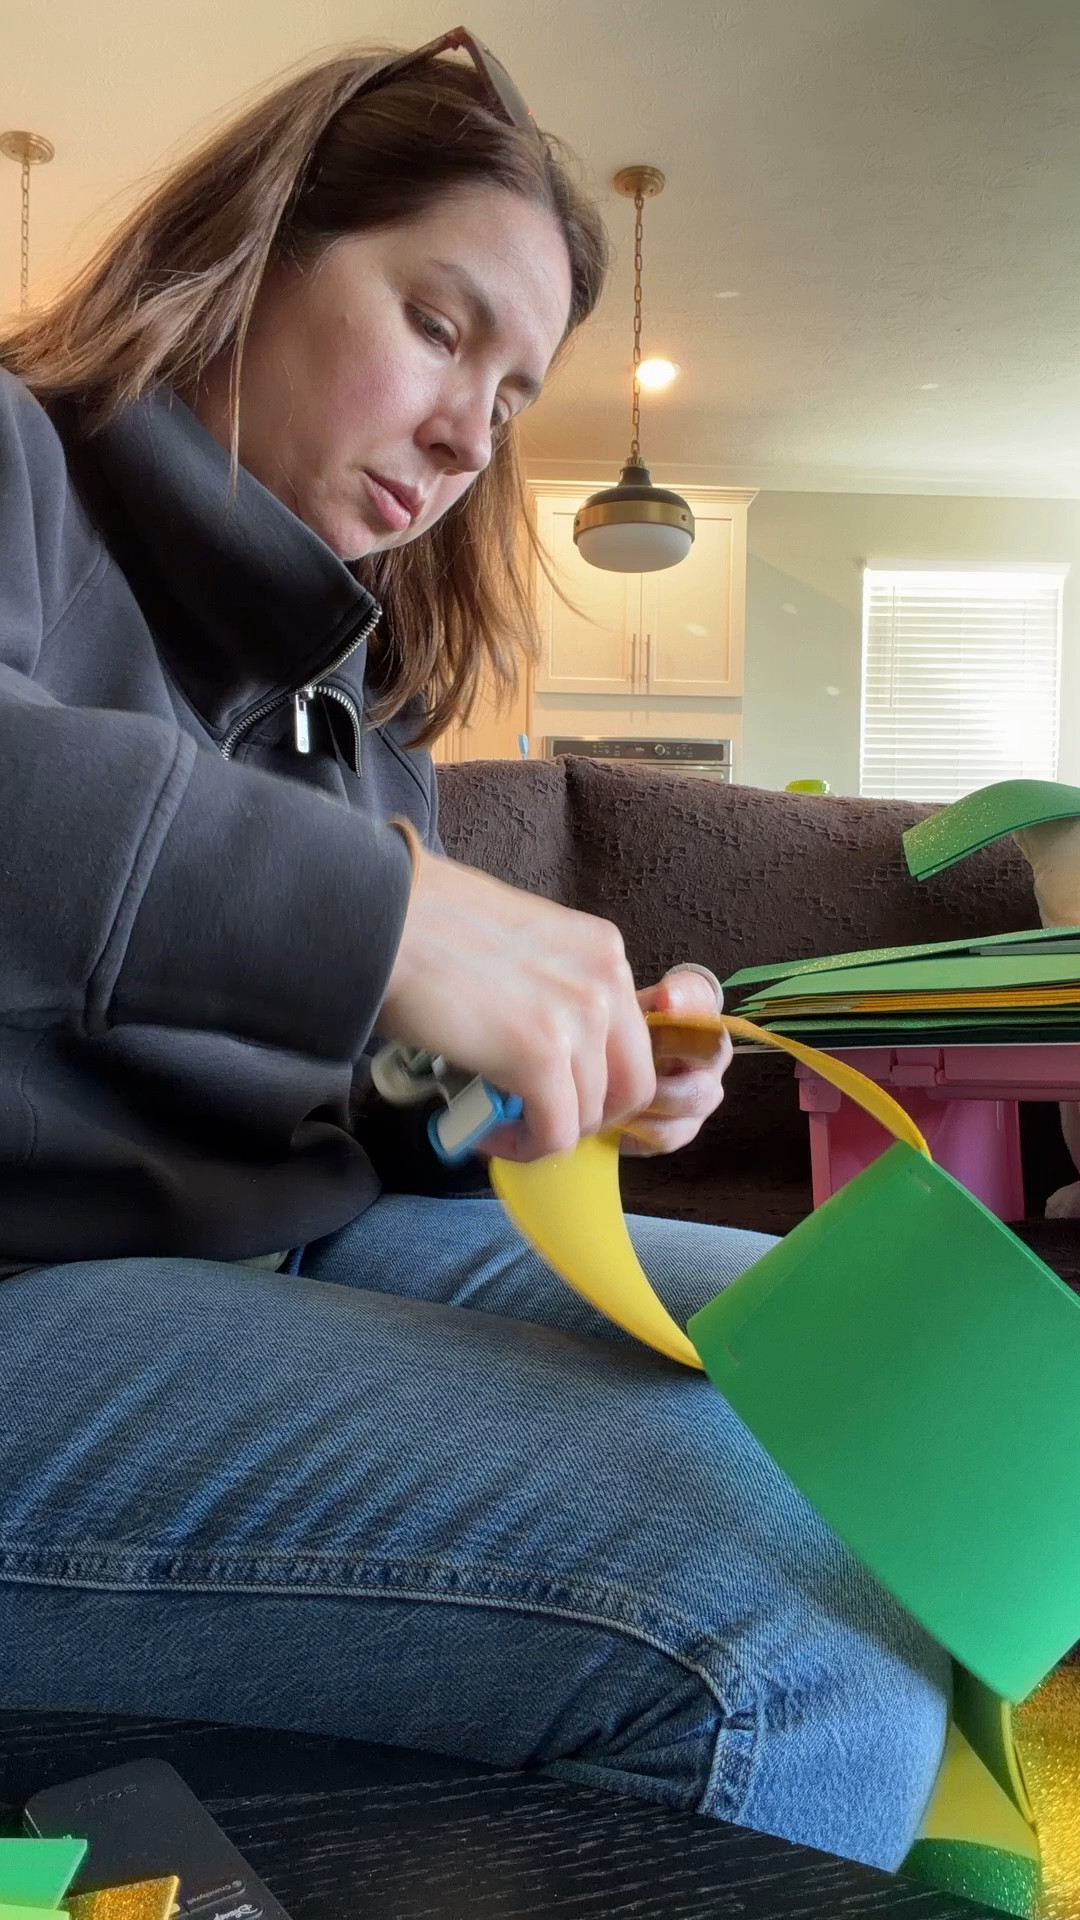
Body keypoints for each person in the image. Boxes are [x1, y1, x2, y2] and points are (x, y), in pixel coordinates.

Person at [0, 29, 948, 1872]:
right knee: (780, 1641)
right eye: (442, 327)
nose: (467, 437)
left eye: (513, 395)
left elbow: (362, 1109)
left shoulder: (346, 707)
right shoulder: (13, 466)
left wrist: (542, 1085)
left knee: (868, 1410)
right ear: (257, 249)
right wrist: (395, 916)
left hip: (285, 1247)